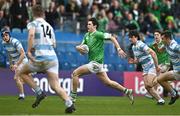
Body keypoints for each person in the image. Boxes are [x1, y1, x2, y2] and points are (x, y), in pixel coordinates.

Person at [17, 5, 75, 113]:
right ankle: (69, 103)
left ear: (33, 14)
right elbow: (54, 44)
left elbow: (31, 35)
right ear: (43, 14)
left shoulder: (33, 23)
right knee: (55, 86)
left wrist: (29, 51)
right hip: (52, 58)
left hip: (40, 57)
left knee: (22, 72)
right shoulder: (49, 26)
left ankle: (39, 92)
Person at [70, 17, 134, 105]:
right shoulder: (86, 35)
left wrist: (119, 49)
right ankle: (127, 91)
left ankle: (72, 97)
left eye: (89, 24)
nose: (87, 26)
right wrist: (78, 48)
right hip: (94, 63)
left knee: (75, 73)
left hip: (96, 63)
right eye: (87, 24)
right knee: (108, 83)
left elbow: (112, 38)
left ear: (95, 26)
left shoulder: (98, 34)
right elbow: (82, 50)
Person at [128, 30, 165, 105]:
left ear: (135, 37)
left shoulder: (141, 44)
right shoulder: (133, 47)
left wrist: (157, 66)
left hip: (151, 65)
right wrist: (133, 62)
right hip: (145, 68)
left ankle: (162, 78)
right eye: (129, 37)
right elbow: (138, 60)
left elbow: (153, 53)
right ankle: (160, 100)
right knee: (147, 87)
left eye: (131, 37)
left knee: (150, 84)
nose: (129, 39)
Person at [1, 28, 26, 100]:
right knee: (18, 79)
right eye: (3, 36)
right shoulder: (4, 43)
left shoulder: (15, 42)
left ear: (9, 35)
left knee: (17, 78)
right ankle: (22, 95)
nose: (5, 37)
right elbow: (9, 53)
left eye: (6, 35)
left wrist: (17, 64)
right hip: (15, 62)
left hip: (23, 60)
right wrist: (11, 64)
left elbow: (23, 54)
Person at [157, 31, 179, 105]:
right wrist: (157, 45)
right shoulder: (166, 45)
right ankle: (174, 94)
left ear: (167, 38)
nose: (161, 40)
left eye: (162, 38)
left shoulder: (175, 46)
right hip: (177, 71)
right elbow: (160, 50)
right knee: (159, 79)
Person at [146, 30, 171, 98]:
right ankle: (170, 91)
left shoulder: (164, 43)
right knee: (160, 79)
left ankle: (151, 89)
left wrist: (156, 46)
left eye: (157, 35)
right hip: (158, 64)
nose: (156, 36)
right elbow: (148, 53)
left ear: (160, 36)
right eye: (155, 35)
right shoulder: (152, 44)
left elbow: (160, 51)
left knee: (159, 76)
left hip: (166, 63)